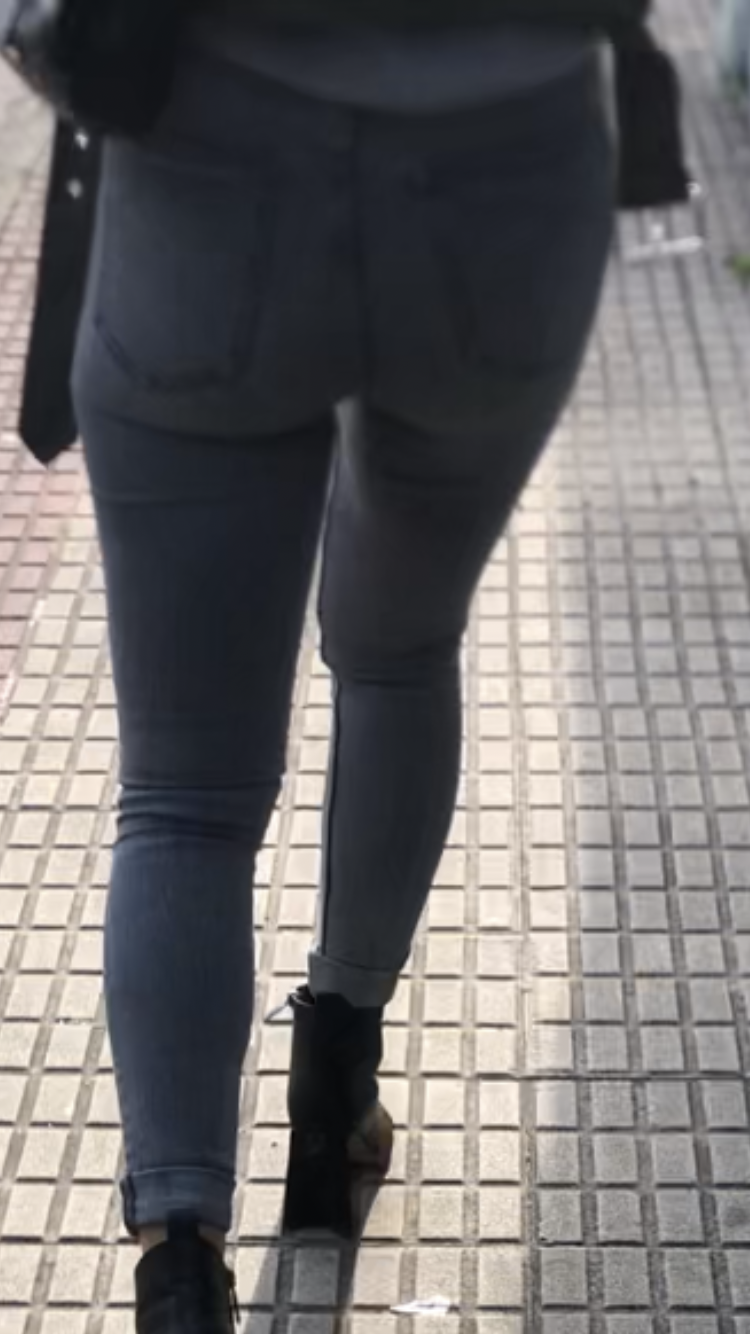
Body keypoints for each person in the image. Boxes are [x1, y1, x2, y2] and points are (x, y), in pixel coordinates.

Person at [69, 9, 615, 1333]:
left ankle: (179, 1266)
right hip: (507, 165)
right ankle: (334, 1102)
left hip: (210, 149)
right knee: (396, 652)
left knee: (186, 796)